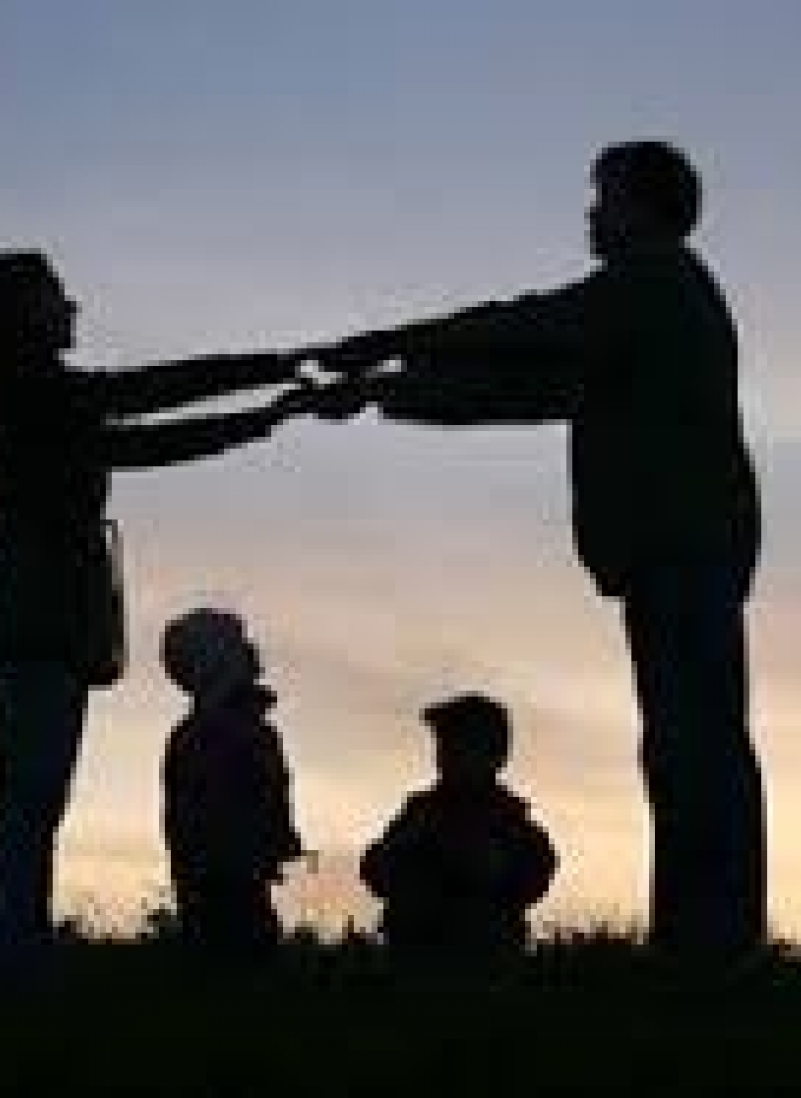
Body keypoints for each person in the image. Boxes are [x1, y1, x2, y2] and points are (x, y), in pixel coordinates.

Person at [305, 141, 766, 967]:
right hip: (678, 551)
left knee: (694, 748)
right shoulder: (642, 305)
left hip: (682, 550)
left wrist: (383, 348)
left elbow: (524, 329)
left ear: (643, 206)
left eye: (604, 196)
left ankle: (710, 946)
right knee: (686, 745)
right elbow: (525, 386)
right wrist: (383, 388)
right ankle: (702, 943)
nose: (592, 213)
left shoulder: (650, 284)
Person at [0, 249, 312, 967]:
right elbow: (147, 420)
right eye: (56, 295)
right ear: (22, 312)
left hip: (37, 610)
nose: (72, 306)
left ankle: (14, 952)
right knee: (31, 795)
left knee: (32, 794)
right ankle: (10, 961)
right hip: (39, 611)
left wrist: (272, 381)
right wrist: (271, 397)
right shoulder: (33, 395)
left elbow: (150, 406)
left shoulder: (29, 394)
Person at [361, 694, 556, 961]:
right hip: (414, 957)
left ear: (494, 755)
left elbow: (535, 874)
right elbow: (373, 867)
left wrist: (487, 869)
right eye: (442, 745)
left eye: (457, 745)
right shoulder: (420, 811)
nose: (444, 755)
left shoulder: (510, 821)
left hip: (483, 959)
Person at [160, 608, 307, 962]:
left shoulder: (213, 732)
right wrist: (271, 839)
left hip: (230, 871)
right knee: (236, 948)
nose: (251, 649)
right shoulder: (218, 734)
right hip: (226, 874)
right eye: (238, 644)